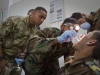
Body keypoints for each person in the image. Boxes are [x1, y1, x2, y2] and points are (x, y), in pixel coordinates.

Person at [0, 6, 47, 75]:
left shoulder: (35, 30)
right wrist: (1, 59)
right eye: (40, 16)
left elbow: (27, 44)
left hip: (17, 61)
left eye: (44, 18)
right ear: (33, 13)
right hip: (5, 59)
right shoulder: (15, 21)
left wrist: (24, 53)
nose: (42, 20)